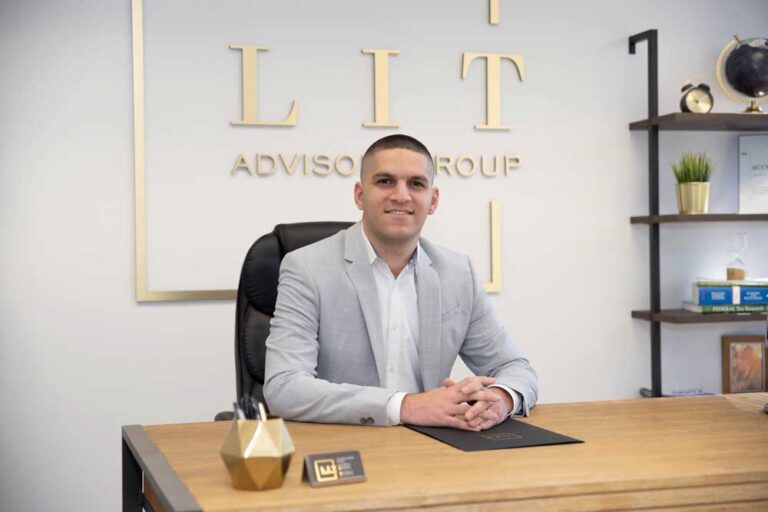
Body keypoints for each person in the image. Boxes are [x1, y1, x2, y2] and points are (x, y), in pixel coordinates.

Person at [264, 134, 537, 431]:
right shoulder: (306, 268)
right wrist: (407, 406)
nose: (401, 196)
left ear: (433, 200)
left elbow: (514, 368)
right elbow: (284, 387)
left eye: (416, 184)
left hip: (431, 444)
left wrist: (500, 400)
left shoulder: (459, 273)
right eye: (385, 182)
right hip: (345, 441)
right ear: (359, 195)